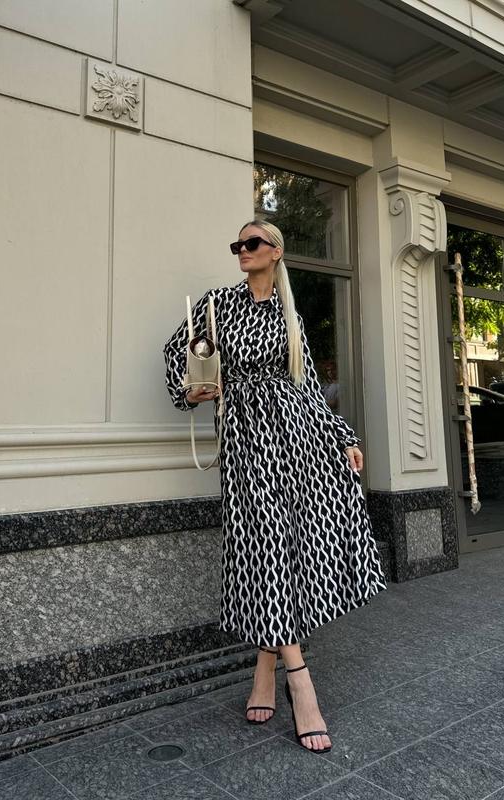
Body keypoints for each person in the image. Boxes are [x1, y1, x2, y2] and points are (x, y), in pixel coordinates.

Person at [163, 219, 387, 754]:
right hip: (246, 437)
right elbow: (177, 356)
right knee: (264, 544)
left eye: (252, 243)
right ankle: (300, 680)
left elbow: (306, 385)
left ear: (275, 252)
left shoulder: (290, 314)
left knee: (291, 545)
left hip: (297, 435)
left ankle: (265, 670)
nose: (242, 251)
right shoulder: (217, 305)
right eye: (237, 245)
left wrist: (343, 437)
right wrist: (192, 392)